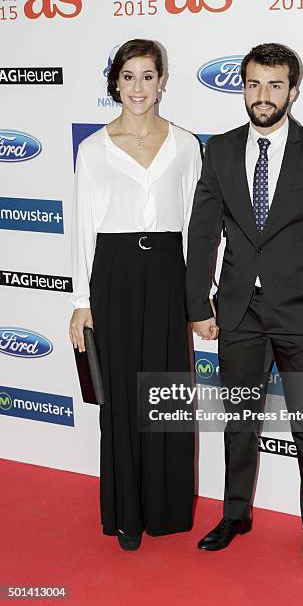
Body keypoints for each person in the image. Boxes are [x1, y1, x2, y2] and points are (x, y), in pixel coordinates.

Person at [186, 43, 303, 567]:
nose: (263, 96)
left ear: (293, 90)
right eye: (254, 84)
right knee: (239, 421)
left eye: (274, 85)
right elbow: (202, 234)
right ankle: (236, 513)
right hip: (239, 312)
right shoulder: (218, 150)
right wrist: (199, 303)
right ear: (243, 86)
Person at [69, 39, 201, 550]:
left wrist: (200, 297)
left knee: (165, 392)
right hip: (115, 276)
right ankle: (127, 514)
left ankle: (167, 510)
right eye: (129, 76)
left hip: (169, 271)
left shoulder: (186, 145)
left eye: (148, 76)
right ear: (115, 84)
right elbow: (81, 228)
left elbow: (196, 225)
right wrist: (82, 300)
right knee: (122, 397)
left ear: (163, 80)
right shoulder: (94, 148)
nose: (139, 87)